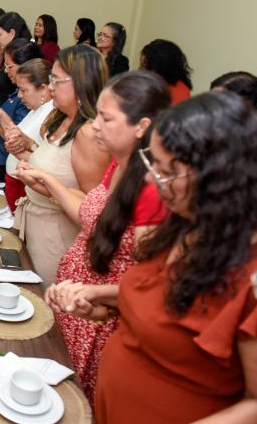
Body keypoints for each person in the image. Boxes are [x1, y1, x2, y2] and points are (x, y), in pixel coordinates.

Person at [52, 92, 257, 423]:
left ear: (220, 179)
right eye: (153, 163)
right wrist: (100, 295)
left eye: (168, 170)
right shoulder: (181, 226)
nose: (149, 178)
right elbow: (165, 300)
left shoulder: (250, 274)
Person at [31, 72, 170, 402]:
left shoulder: (153, 189)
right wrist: (48, 182)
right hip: (76, 304)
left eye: (106, 118)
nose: (94, 125)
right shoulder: (118, 164)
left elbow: (152, 283)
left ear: (141, 126)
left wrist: (94, 293)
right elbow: (90, 216)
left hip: (101, 317)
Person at [15, 44, 110, 287]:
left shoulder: (88, 133)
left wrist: (44, 186)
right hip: (33, 225)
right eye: (50, 80)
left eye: (57, 81)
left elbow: (92, 207)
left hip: (56, 238)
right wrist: (28, 160)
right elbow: (56, 166)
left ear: (81, 83)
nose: (50, 87)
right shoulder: (60, 118)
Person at [0, 40, 42, 187]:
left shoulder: (28, 100)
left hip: (9, 166)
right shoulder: (17, 92)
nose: (5, 70)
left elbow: (15, 138)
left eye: (9, 66)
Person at [1, 58, 55, 212]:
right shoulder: (37, 108)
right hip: (15, 181)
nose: (19, 95)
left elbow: (45, 159)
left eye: (24, 90)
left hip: (24, 187)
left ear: (43, 89)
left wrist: (24, 144)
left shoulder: (49, 113)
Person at [140, 39, 193, 104]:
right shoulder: (152, 85)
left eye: (148, 67)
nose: (144, 71)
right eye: (143, 67)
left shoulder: (179, 92)